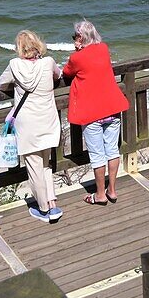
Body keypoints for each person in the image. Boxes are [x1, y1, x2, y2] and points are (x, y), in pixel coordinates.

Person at [0, 30, 64, 224]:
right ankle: (52, 204)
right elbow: (58, 76)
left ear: (19, 48)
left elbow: (0, 85)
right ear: (38, 45)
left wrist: (16, 86)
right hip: (48, 121)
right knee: (44, 165)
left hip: (28, 125)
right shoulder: (48, 62)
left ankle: (44, 209)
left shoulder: (14, 65)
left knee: (34, 167)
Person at [61, 20, 129, 205]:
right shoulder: (104, 48)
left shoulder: (77, 57)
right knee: (112, 150)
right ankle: (112, 190)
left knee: (97, 155)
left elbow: (67, 72)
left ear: (80, 37)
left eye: (75, 36)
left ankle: (99, 195)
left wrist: (78, 50)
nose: (74, 39)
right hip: (112, 108)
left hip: (92, 114)